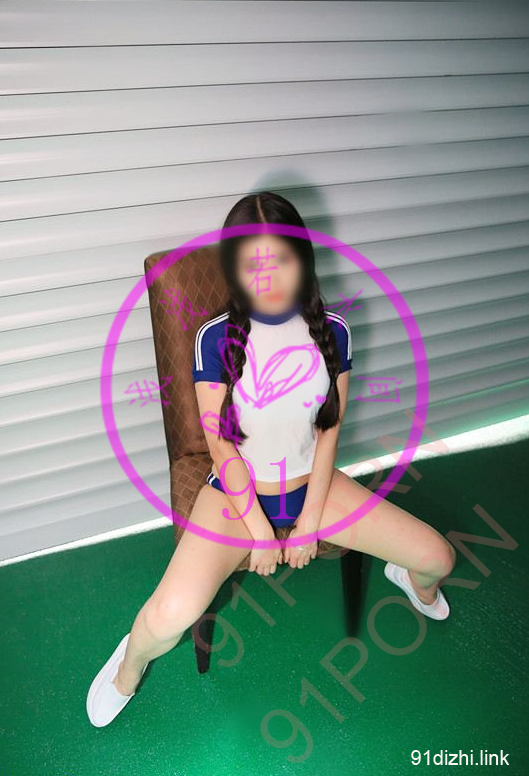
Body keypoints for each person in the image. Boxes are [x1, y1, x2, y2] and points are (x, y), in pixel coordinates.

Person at [87, 191, 456, 727]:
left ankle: (407, 578)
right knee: (167, 619)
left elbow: (328, 430)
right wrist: (261, 531)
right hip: (236, 497)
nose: (268, 278)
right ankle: (127, 666)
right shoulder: (214, 338)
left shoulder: (334, 330)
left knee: (438, 559)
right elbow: (220, 445)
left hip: (312, 486)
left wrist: (309, 521)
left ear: (302, 257)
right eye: (251, 264)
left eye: (280, 259)